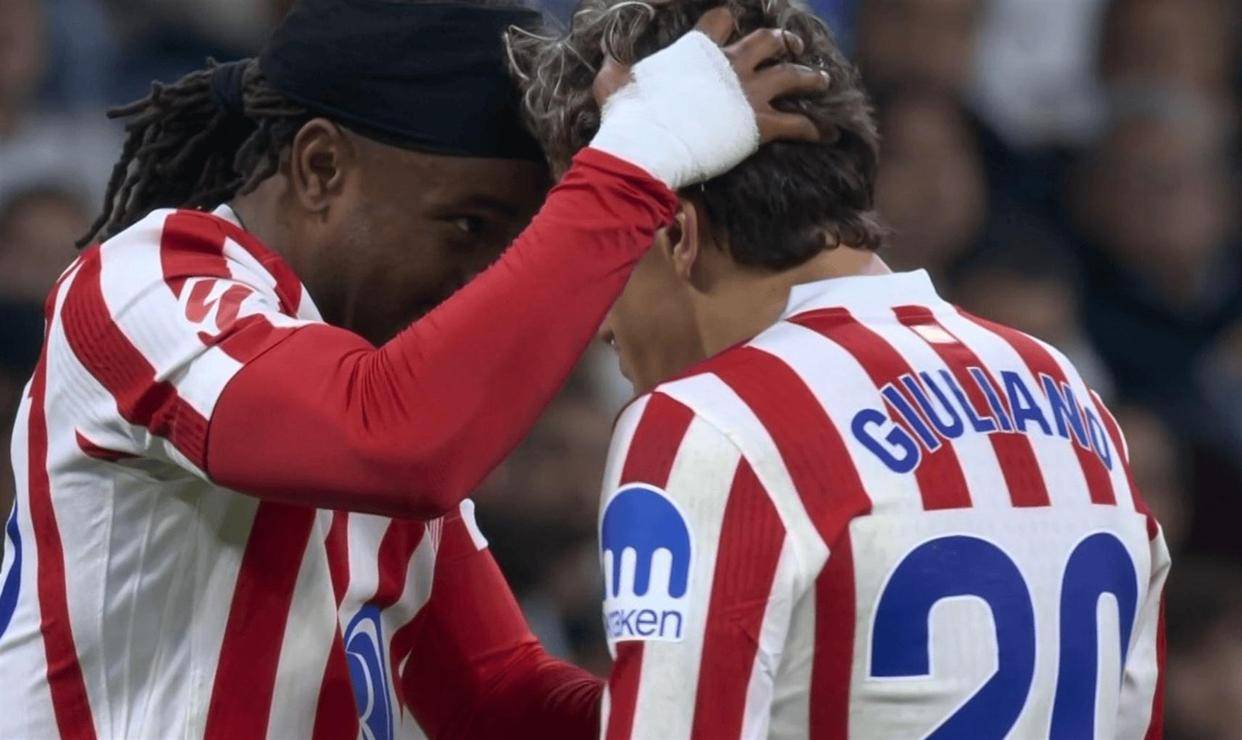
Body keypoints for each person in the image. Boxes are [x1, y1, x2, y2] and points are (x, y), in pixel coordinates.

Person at [0, 0, 828, 735]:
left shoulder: (373, 382)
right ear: (321, 169)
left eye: (513, 246)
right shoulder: (146, 282)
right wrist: (632, 168)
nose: (485, 284)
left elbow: (493, 695)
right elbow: (388, 439)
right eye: (469, 228)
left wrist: (723, 712)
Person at [511, 0, 1170, 736]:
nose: (599, 320)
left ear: (676, 234)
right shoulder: (1072, 396)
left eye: (599, 253)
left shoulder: (710, 425)